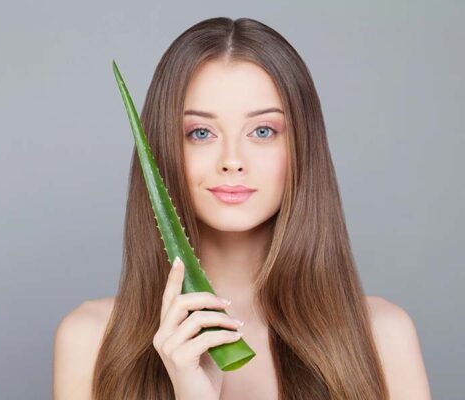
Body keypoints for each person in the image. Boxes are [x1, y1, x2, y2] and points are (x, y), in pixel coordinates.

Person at [53, 17, 432, 400]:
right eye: (201, 133)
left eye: (263, 131)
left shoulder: (383, 337)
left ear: (301, 148)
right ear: (164, 150)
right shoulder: (90, 341)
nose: (232, 160)